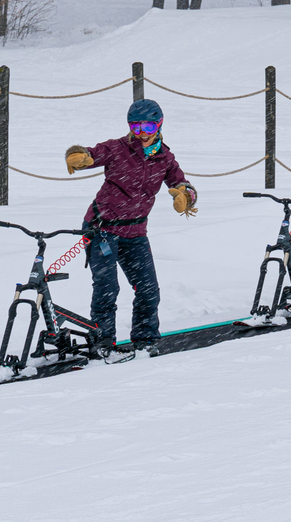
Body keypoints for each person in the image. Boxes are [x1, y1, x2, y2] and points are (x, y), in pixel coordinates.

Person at [65, 99, 197, 360]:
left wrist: (185, 196)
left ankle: (145, 341)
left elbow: (183, 183)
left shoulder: (165, 158)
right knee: (106, 287)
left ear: (158, 124)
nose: (142, 132)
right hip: (101, 229)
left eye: (148, 125)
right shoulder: (117, 149)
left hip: (135, 232)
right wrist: (78, 156)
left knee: (148, 289)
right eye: (136, 127)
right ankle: (103, 343)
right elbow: (92, 154)